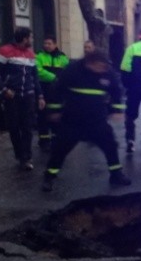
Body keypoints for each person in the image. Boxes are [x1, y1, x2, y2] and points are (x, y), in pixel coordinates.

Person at [42, 49, 130, 192]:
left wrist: (117, 110)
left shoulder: (108, 73)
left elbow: (117, 91)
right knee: (59, 150)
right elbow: (57, 90)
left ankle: (116, 174)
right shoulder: (72, 71)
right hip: (72, 121)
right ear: (90, 63)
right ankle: (49, 177)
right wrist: (54, 110)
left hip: (97, 121)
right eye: (100, 66)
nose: (103, 69)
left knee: (111, 146)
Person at [0, 28, 45, 171]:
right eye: (30, 38)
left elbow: (35, 77)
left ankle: (26, 157)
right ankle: (20, 155)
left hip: (28, 95)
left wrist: (40, 95)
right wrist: (4, 89)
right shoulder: (4, 51)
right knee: (14, 127)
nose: (32, 41)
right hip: (11, 96)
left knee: (27, 127)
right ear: (24, 39)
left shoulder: (31, 54)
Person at [35, 35, 69, 151]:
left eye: (49, 43)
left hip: (58, 93)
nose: (47, 46)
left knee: (57, 116)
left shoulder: (62, 58)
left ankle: (56, 139)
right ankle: (44, 140)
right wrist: (54, 77)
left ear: (55, 44)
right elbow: (37, 71)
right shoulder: (39, 56)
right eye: (45, 43)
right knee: (42, 116)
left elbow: (68, 71)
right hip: (44, 90)